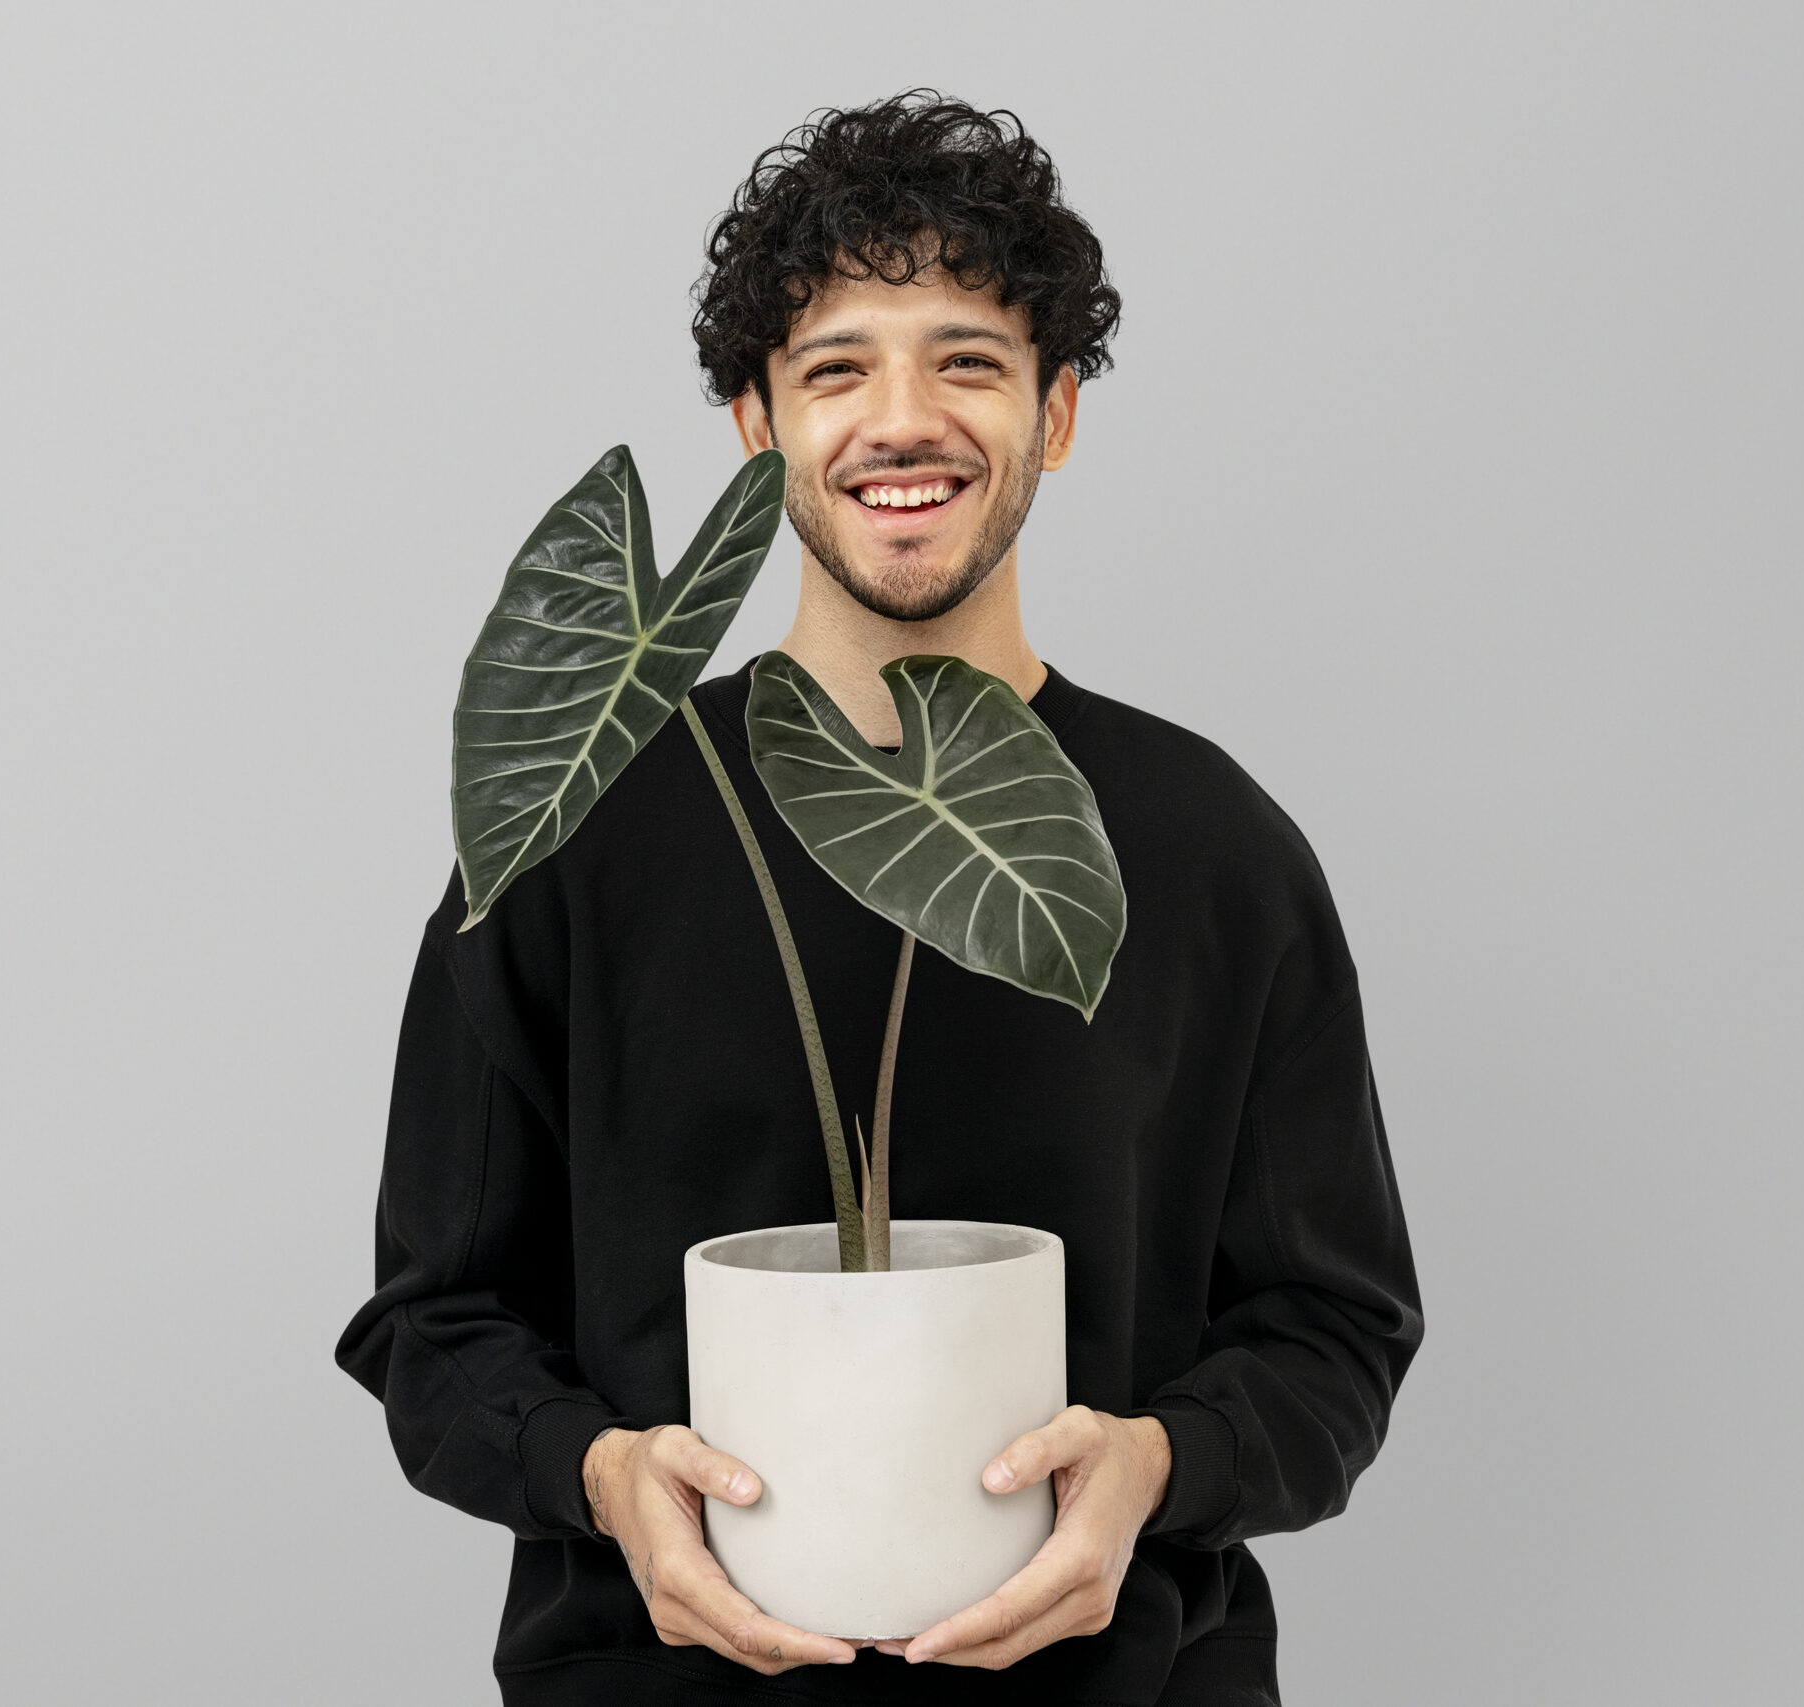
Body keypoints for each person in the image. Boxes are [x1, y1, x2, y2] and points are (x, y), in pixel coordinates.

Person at [336, 91, 1422, 1706]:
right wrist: (601, 1480)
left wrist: (1159, 1465)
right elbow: (435, 1325)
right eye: (837, 367)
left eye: (967, 361)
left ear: (1058, 415)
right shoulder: (582, 821)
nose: (901, 419)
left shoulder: (1210, 845)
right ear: (754, 423)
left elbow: (1334, 1332)